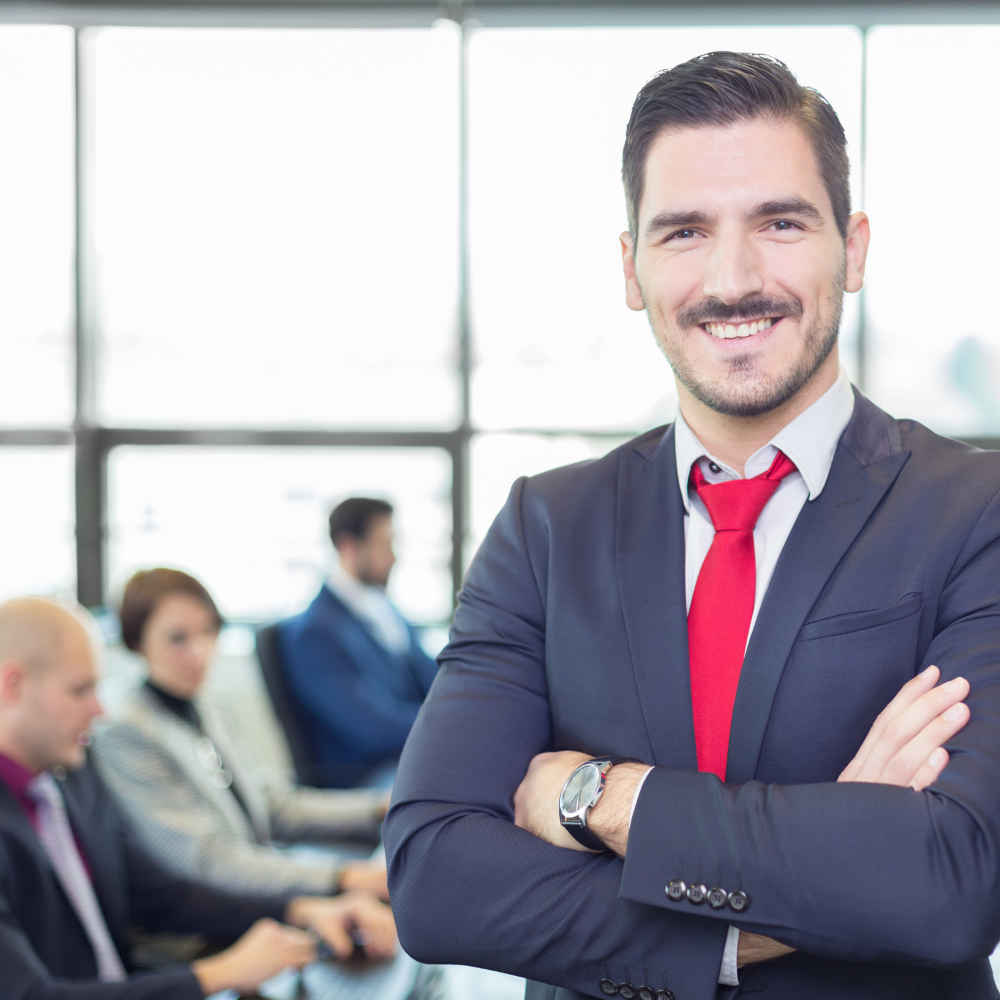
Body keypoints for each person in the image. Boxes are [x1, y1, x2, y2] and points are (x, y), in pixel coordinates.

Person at [384, 51, 1000, 999]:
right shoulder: (544, 529)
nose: (732, 278)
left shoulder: (977, 514)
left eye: (781, 222)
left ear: (856, 248)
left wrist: (599, 799)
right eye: (683, 232)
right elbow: (435, 881)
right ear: (632, 269)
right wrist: (821, 870)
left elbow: (953, 882)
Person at [0, 597, 397, 1000]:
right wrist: (218, 974)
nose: (99, 709)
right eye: (80, 690)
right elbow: (31, 995)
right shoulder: (113, 740)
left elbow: (158, 895)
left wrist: (299, 910)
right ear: (13, 685)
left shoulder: (69, 776)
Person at [93, 568, 390, 900]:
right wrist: (345, 878)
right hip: (210, 919)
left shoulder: (207, 706)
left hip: (258, 884)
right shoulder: (127, 731)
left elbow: (268, 805)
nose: (200, 653)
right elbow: (208, 860)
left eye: (208, 631)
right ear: (137, 642)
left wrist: (377, 808)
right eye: (177, 638)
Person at [279, 497, 438, 788]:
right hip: (363, 776)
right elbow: (372, 728)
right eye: (383, 545)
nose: (393, 557)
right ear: (348, 546)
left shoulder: (382, 608)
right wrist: (450, 724)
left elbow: (432, 677)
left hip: (405, 754)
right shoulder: (316, 632)